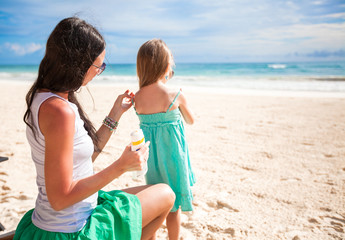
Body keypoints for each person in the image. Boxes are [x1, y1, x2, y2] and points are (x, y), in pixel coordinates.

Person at [14, 17, 175, 240]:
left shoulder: (44, 96)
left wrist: (114, 114)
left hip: (57, 219)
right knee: (166, 194)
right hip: (71, 230)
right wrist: (120, 166)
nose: (99, 72)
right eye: (99, 66)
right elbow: (60, 198)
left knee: (154, 196)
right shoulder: (60, 111)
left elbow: (81, 162)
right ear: (78, 64)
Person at [132, 39, 196, 240]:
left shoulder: (138, 97)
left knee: (155, 198)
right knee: (174, 204)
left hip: (151, 158)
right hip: (173, 156)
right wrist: (182, 100)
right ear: (165, 66)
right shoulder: (174, 94)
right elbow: (191, 120)